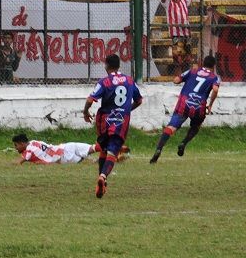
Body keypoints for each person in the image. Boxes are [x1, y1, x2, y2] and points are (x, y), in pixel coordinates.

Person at [82, 54, 143, 199]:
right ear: (119, 65)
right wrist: (126, 110)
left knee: (104, 149)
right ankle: (103, 177)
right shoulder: (129, 81)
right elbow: (139, 100)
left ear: (106, 65)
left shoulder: (105, 82)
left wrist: (85, 112)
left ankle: (101, 183)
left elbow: (90, 99)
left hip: (105, 120)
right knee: (112, 151)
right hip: (121, 120)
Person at [150, 56, 220, 164]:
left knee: (171, 127)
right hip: (199, 105)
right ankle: (183, 143)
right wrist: (210, 104)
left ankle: (159, 149)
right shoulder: (214, 77)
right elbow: (215, 89)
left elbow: (176, 80)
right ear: (213, 66)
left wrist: (187, 81)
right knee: (196, 126)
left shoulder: (193, 71)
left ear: (202, 63)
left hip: (184, 102)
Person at [160, 0, 200, 74]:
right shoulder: (168, 1)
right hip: (176, 35)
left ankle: (189, 78)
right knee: (178, 61)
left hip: (186, 33)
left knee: (189, 59)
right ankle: (178, 79)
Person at [12, 134, 113, 165]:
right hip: (66, 146)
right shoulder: (34, 142)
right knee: (93, 148)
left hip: (63, 157)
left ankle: (112, 157)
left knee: (86, 163)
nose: (15, 148)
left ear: (22, 143)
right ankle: (115, 148)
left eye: (16, 145)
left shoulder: (28, 151)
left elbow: (18, 162)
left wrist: (13, 163)